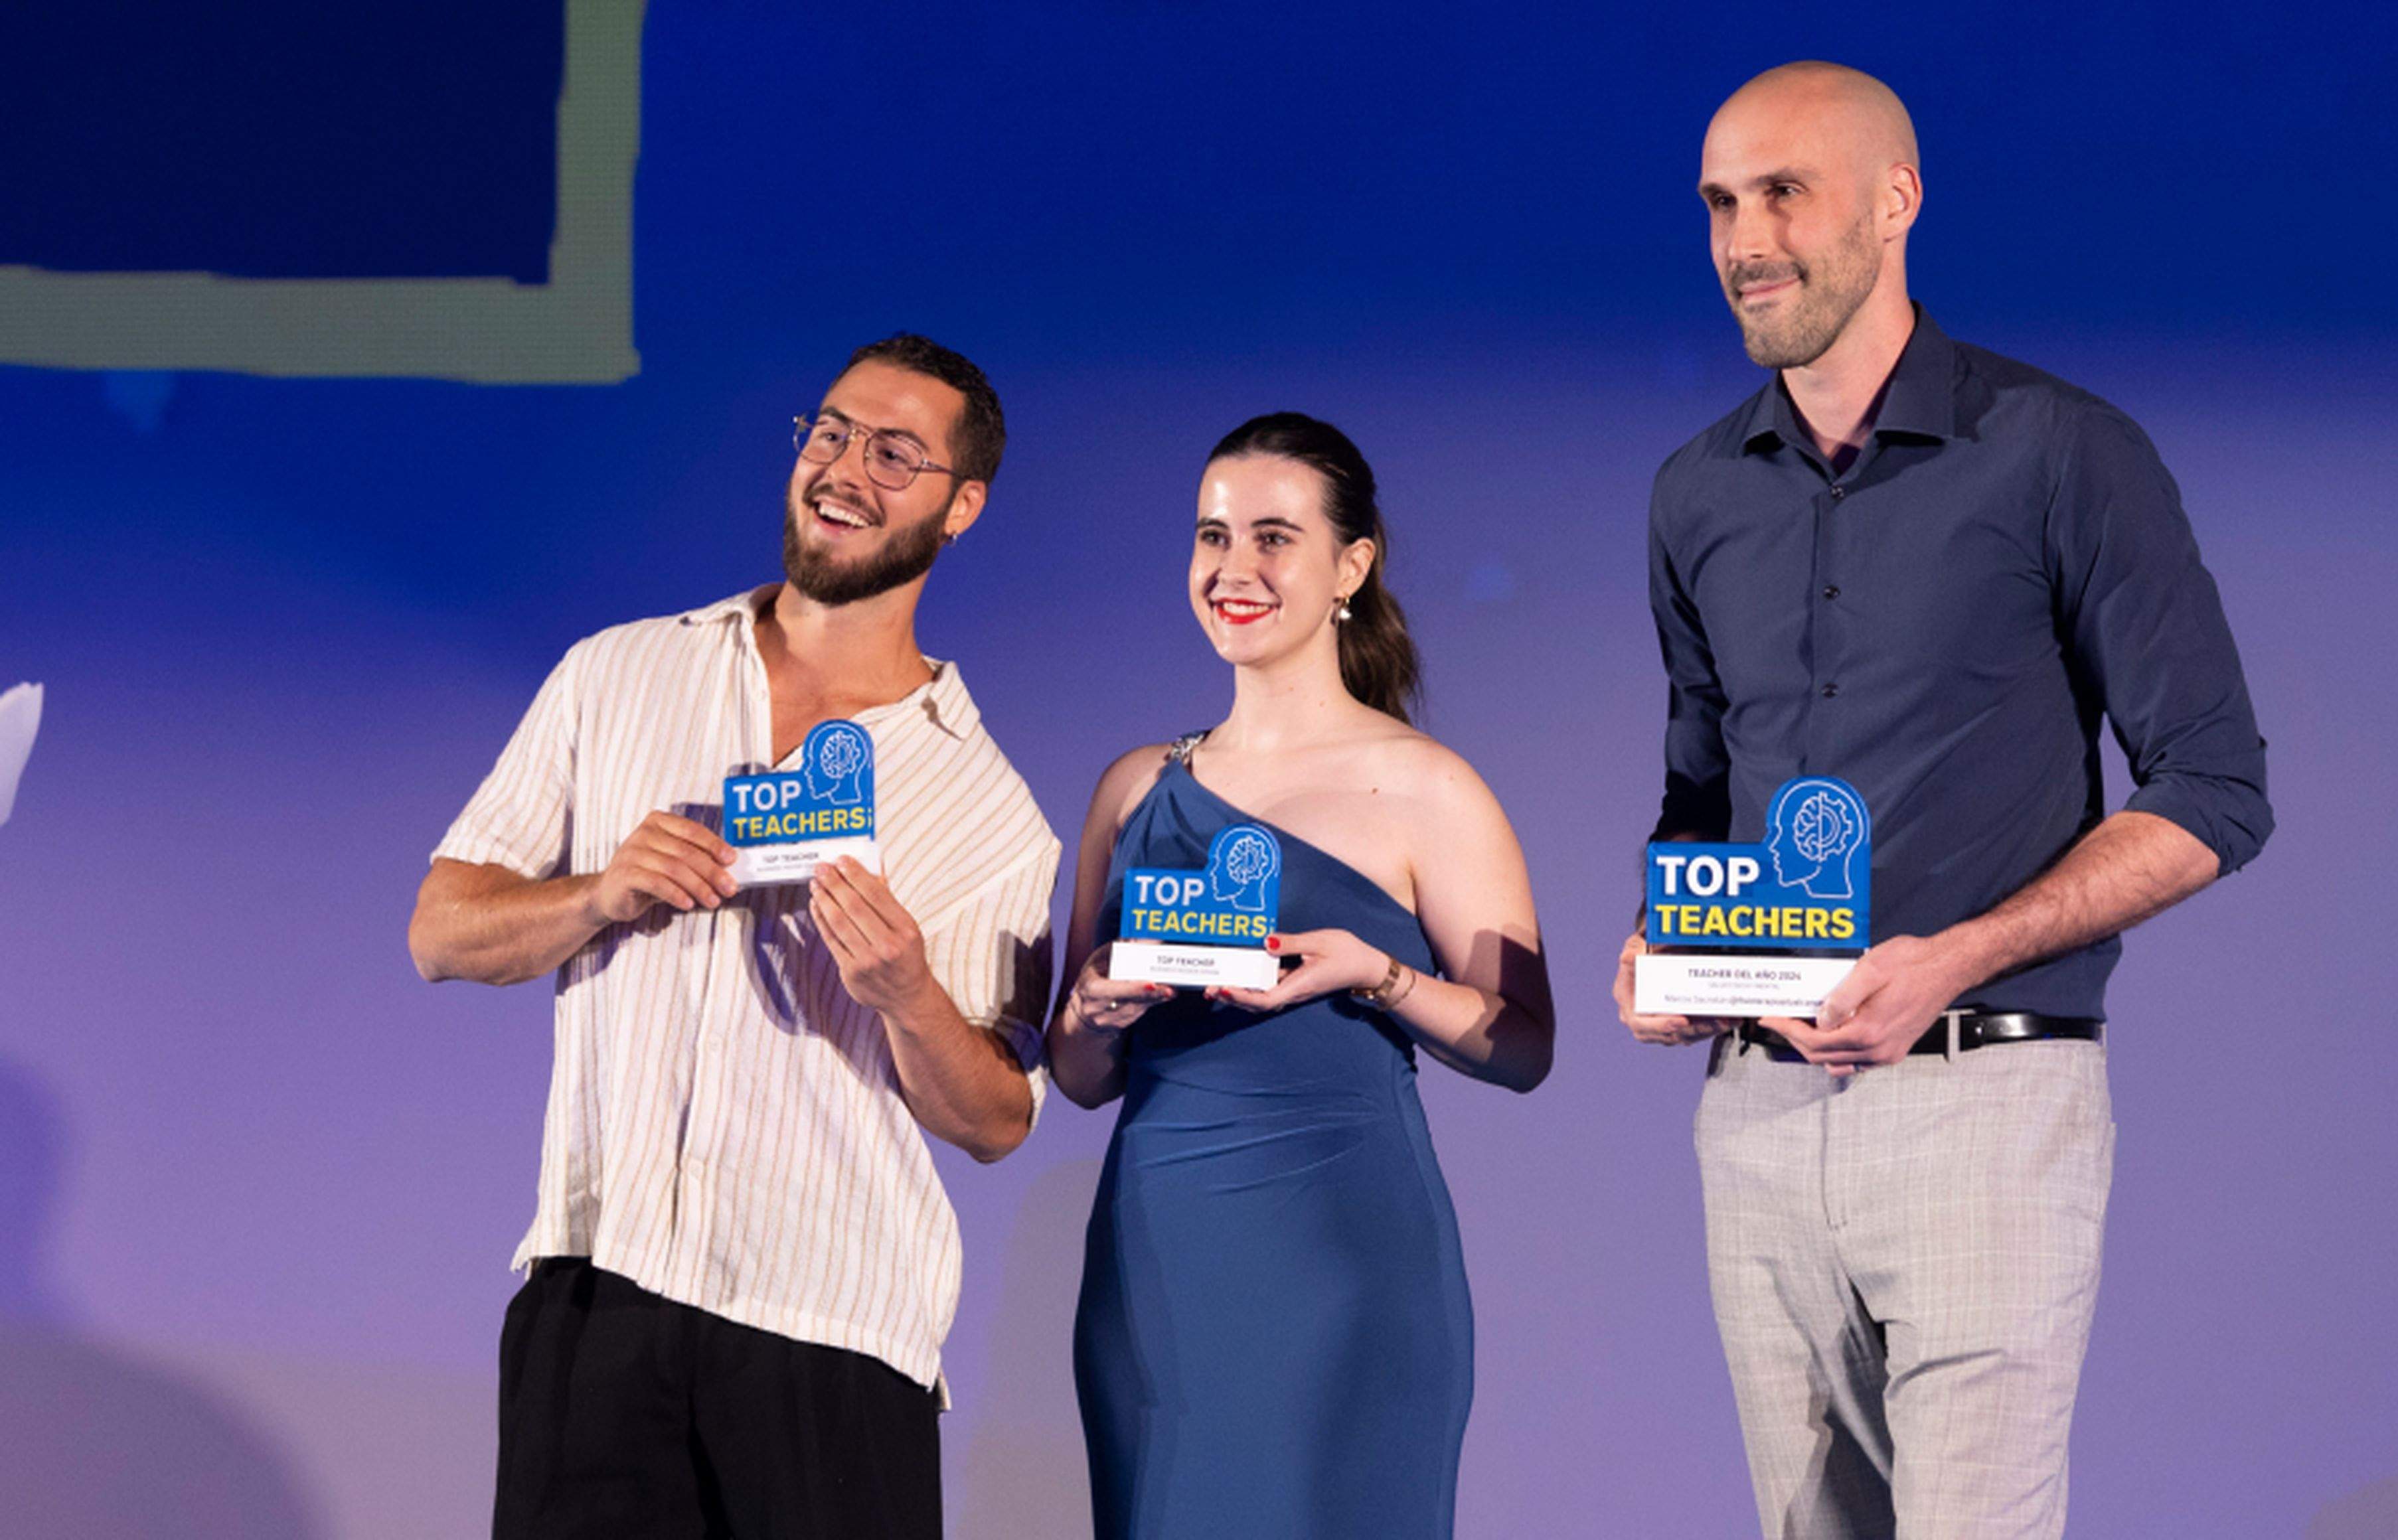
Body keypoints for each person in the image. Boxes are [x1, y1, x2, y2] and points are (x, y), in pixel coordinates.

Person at [1613, 62, 2273, 1538]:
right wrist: (1661, 939)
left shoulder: (2060, 451)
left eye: (1785, 191)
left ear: (1897, 201)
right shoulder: (1694, 494)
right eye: (1722, 200)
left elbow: (2216, 787)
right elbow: (1700, 783)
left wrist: (1958, 954)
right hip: (1762, 1110)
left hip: (1987, 1093)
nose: (1744, 237)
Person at [407, 334, 1060, 1539]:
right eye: (831, 431)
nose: (846, 469)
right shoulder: (617, 674)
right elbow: (441, 931)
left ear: (962, 507)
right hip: (598, 1290)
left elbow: (998, 1120)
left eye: (897, 454)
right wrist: (597, 893)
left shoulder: (989, 804)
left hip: (833, 1334)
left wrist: (907, 994)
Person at [1049, 412, 1556, 1539]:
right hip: (1155, 1271)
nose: (1234, 569)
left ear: (1351, 566)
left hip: (1346, 1270)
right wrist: (1090, 1009)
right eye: (1212, 536)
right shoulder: (1133, 789)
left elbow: (1523, 1046)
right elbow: (1078, 1078)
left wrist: (1372, 973)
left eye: (1273, 537)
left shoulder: (1428, 786)